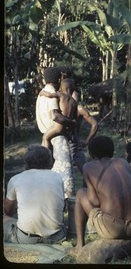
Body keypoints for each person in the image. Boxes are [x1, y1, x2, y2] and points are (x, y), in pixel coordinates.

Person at [68, 136, 131, 256]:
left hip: (113, 229)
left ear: (91, 153)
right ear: (112, 151)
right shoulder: (124, 163)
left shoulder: (88, 167)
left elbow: (94, 202)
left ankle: (79, 245)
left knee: (80, 193)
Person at [4, 145, 66, 244]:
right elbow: (62, 207)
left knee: (5, 219)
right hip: (56, 237)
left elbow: (8, 211)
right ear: (49, 162)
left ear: (27, 162)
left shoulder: (15, 179)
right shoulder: (57, 177)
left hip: (26, 239)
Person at [36, 66, 75, 199]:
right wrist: (70, 122)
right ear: (58, 78)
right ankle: (67, 204)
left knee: (49, 173)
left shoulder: (42, 92)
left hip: (46, 133)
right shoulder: (53, 93)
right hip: (57, 137)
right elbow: (54, 115)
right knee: (65, 176)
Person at [39, 78, 79, 150]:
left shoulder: (61, 95)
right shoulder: (74, 102)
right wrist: (73, 132)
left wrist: (42, 93)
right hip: (66, 127)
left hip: (58, 126)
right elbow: (75, 118)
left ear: (62, 88)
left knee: (45, 137)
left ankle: (46, 153)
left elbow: (49, 95)